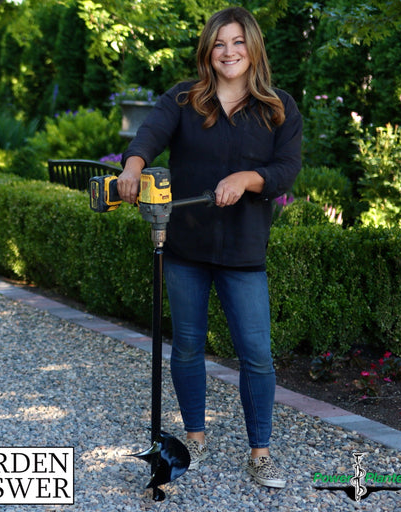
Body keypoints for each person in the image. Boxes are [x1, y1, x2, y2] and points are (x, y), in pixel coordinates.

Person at [117, 6, 302, 488]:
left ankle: (260, 453)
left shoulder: (278, 107)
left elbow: (286, 169)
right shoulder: (183, 99)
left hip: (244, 252)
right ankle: (194, 440)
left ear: (253, 48)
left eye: (238, 42)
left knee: (256, 354)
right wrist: (133, 166)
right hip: (185, 247)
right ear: (207, 51)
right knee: (187, 347)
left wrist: (247, 178)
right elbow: (149, 135)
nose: (229, 51)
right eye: (219, 43)